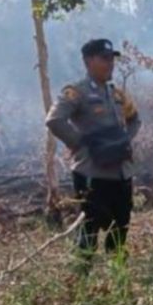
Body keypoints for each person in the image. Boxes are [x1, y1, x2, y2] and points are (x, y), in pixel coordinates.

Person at [46, 39, 140, 264]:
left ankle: (117, 277)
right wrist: (80, 144)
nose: (110, 64)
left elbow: (135, 119)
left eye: (112, 59)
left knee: (120, 227)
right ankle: (82, 280)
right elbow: (54, 120)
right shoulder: (76, 92)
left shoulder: (117, 94)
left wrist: (124, 140)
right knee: (89, 230)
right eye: (104, 59)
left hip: (120, 173)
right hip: (92, 174)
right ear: (88, 61)